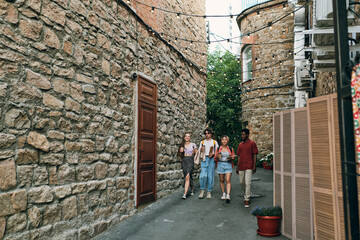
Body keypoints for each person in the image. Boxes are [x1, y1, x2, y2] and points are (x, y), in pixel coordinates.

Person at [236, 128, 258, 208]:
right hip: (241, 166)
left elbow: (255, 155)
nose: (242, 136)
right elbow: (239, 156)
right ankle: (247, 193)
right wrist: (237, 167)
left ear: (248, 135)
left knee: (247, 183)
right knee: (241, 182)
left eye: (244, 134)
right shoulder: (240, 145)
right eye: (241, 134)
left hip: (249, 165)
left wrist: (254, 166)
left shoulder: (252, 144)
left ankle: (247, 199)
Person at [198, 128, 219, 199]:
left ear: (211, 134)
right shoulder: (202, 142)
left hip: (211, 159)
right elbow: (199, 152)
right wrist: (201, 150)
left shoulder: (214, 142)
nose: (207, 135)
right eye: (206, 133)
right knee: (202, 175)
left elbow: (217, 152)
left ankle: (209, 191)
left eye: (208, 133)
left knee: (210, 176)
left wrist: (213, 154)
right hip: (204, 159)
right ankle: (202, 191)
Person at [215, 136, 236, 203]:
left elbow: (233, 156)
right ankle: (223, 193)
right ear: (221, 141)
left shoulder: (230, 148)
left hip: (228, 164)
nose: (224, 141)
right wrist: (217, 156)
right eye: (223, 140)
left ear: (227, 141)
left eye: (225, 140)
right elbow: (215, 158)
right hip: (220, 164)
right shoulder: (218, 149)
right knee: (222, 180)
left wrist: (232, 157)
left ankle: (228, 195)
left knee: (228, 180)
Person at [178, 132, 197, 199]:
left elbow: (196, 153)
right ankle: (192, 188)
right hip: (184, 160)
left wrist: (194, 152)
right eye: (186, 136)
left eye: (188, 136)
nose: (187, 137)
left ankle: (185, 194)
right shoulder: (182, 145)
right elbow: (180, 155)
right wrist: (181, 151)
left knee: (187, 176)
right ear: (184, 137)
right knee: (188, 176)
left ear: (190, 138)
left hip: (190, 160)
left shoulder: (193, 144)